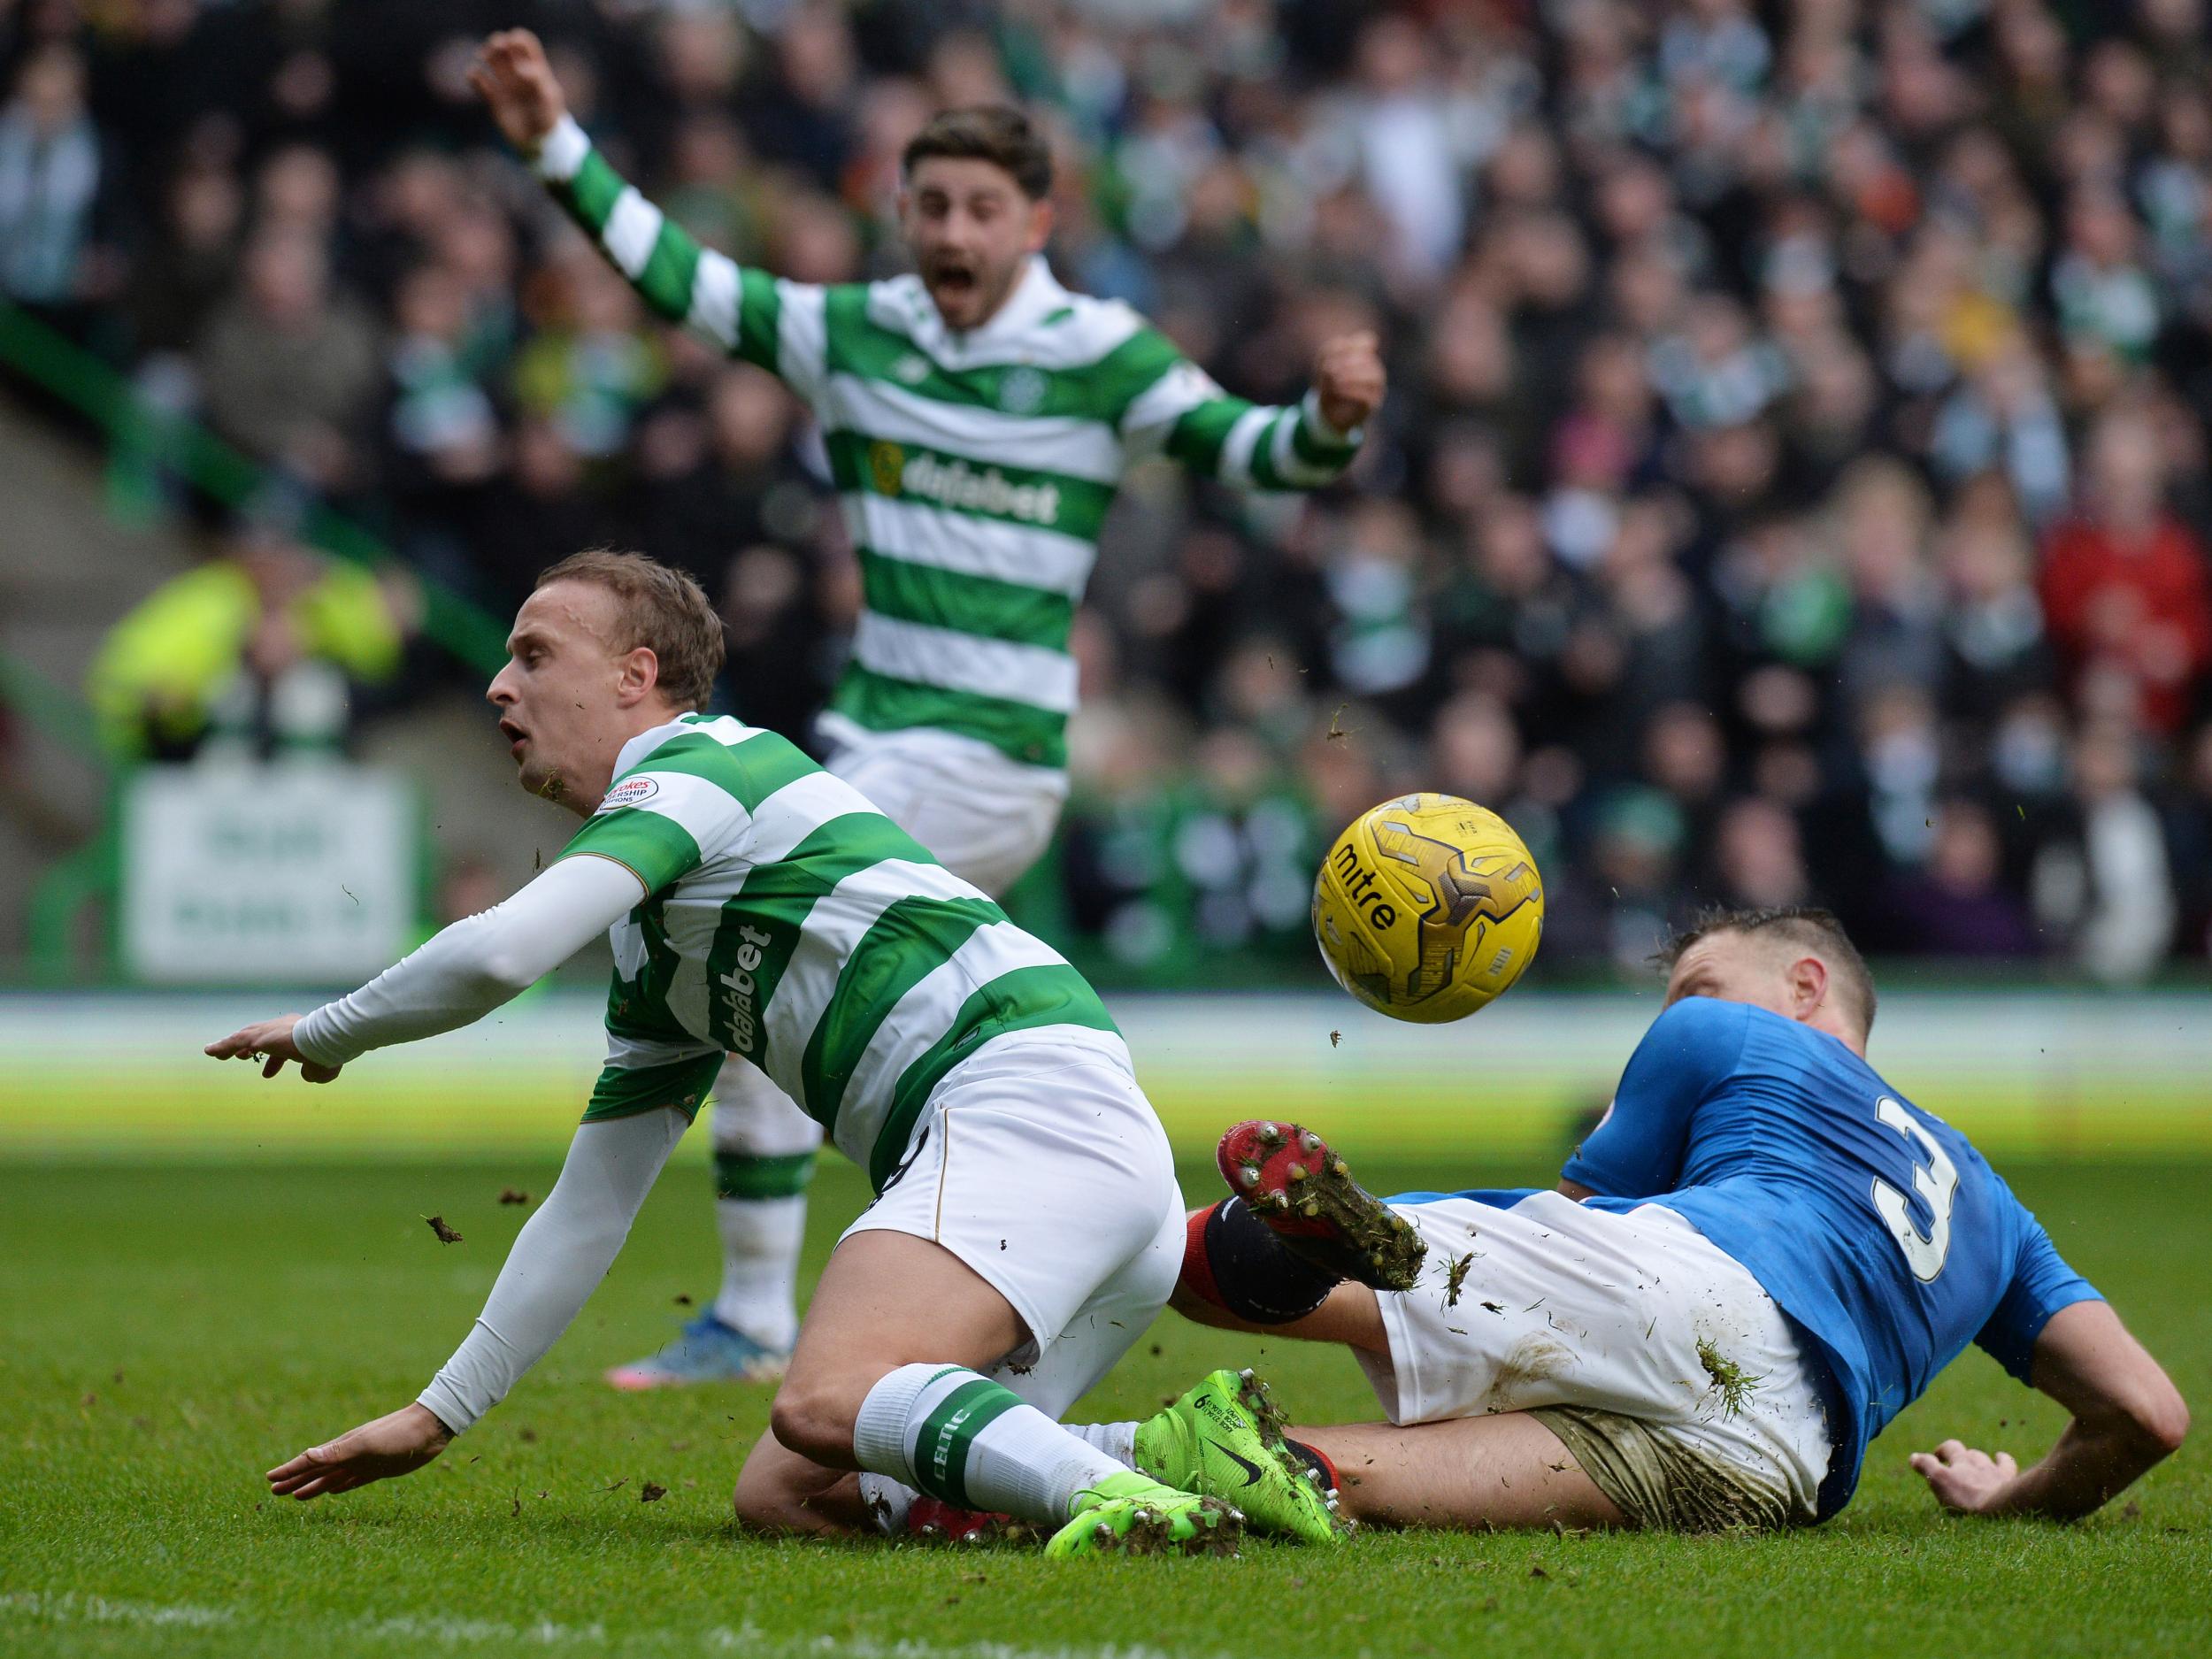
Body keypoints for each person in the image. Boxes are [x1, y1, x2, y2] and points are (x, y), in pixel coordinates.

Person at [469, 29, 1388, 1391]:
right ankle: (999, 1264)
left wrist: (1331, 419)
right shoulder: (862, 334)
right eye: (932, 207)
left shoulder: (1101, 354)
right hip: (872, 745)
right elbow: (681, 277)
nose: (953, 231)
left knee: (737, 949)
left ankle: (796, 1303)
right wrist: (553, 140)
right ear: (901, 215)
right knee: (771, 1007)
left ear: (1038, 222)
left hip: (991, 752)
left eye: (981, 209)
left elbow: (1255, 451)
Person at [205, 549, 1339, 1558]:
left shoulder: (703, 767)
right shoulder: (654, 948)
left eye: (534, 654)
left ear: (634, 676)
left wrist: (326, 1033)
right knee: (793, 1492)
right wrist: (437, 1412)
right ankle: (1185, 1453)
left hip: (1020, 1104)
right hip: (1075, 1163)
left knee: (825, 1395)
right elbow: (591, 1205)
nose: (501, 685)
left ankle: (1137, 1511)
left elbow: (502, 954)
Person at [1141, 907, 2189, 1532]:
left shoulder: (1722, 1035)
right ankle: (1113, 1467)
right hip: (1787, 1457)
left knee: (1202, 1270)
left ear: (1804, 984)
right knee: (1337, 1478)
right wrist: (2003, 1505)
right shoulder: (1995, 1211)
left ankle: (1284, 1255)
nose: (1671, 1016)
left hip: (1699, 1285)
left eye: (1693, 986)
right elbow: (2147, 1415)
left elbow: (1579, 1218)